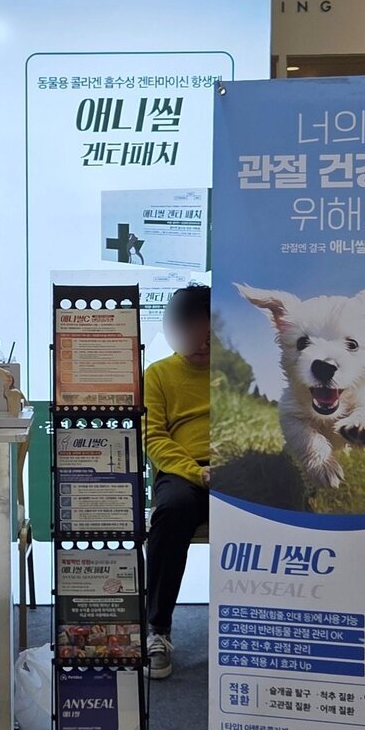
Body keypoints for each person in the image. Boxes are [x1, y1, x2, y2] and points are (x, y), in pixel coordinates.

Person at [143, 284, 211, 679]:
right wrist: (198, 472)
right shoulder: (158, 374)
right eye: (190, 333)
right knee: (171, 511)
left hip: (236, 465)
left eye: (208, 334)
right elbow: (154, 438)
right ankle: (158, 629)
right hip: (183, 472)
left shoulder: (238, 370)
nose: (200, 344)